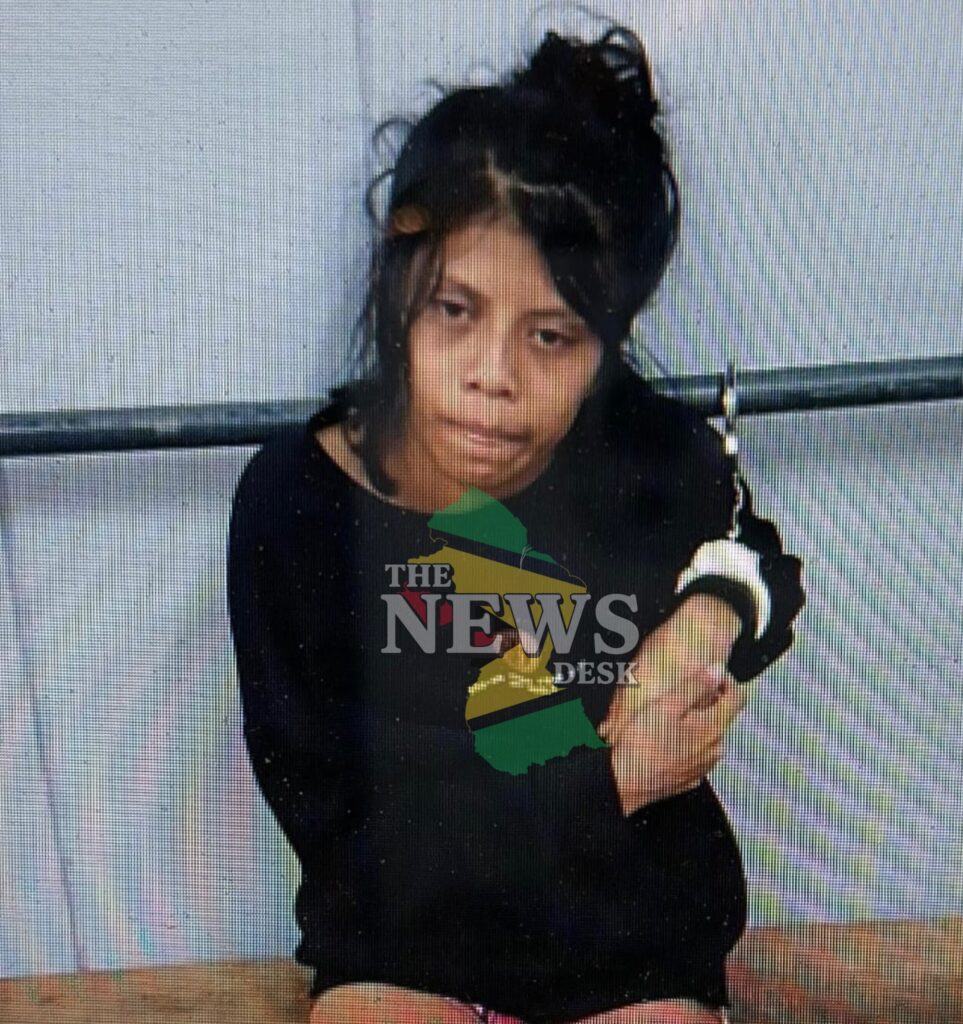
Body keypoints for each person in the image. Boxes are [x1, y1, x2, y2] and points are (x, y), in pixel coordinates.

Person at [226, 20, 805, 1024]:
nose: (493, 376)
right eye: (456, 310)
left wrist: (708, 614)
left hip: (629, 954)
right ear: (398, 286)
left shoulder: (644, 456)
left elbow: (758, 559)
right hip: (406, 950)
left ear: (608, 342)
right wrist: (614, 778)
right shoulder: (298, 506)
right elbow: (342, 834)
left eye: (551, 336)